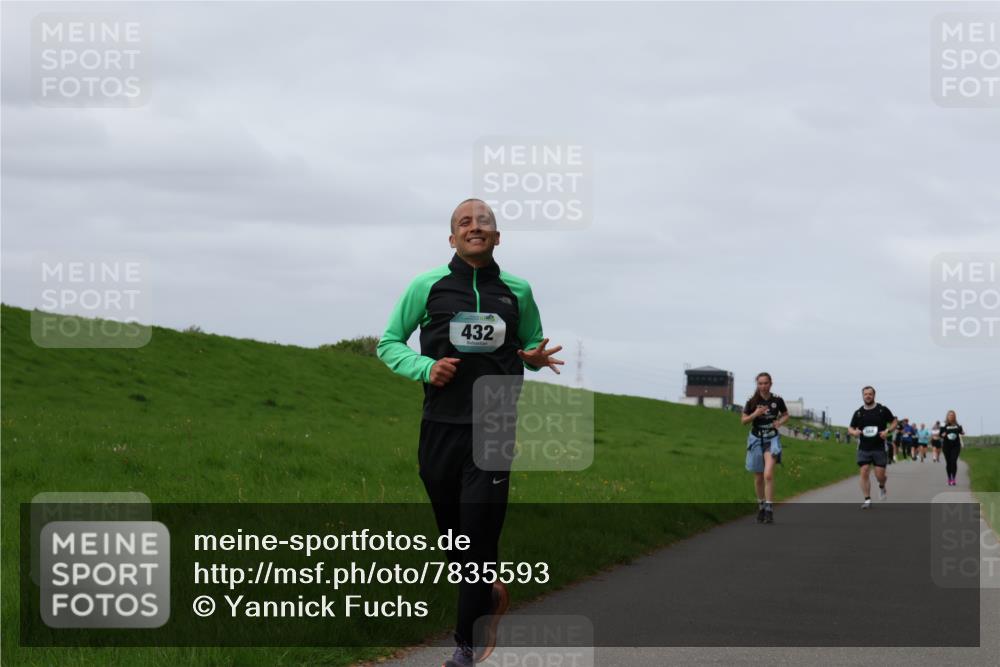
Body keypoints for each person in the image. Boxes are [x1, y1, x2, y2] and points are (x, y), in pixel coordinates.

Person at [376, 198, 564, 667]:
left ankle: (466, 644)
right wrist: (425, 367)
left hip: (495, 424)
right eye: (465, 222)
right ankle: (490, 592)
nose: (474, 227)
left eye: (484, 222)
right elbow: (388, 343)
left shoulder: (517, 291)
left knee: (477, 539)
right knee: (455, 542)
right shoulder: (427, 286)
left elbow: (532, 344)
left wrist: (535, 358)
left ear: (498, 238)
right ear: (452, 238)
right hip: (440, 426)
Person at [741, 372, 789, 524]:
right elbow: (743, 421)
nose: (763, 386)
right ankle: (761, 505)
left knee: (768, 474)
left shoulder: (777, 400)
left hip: (771, 440)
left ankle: (769, 509)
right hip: (756, 440)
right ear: (757, 384)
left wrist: (779, 422)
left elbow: (786, 414)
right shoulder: (752, 400)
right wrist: (755, 413)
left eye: (766, 383)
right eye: (760, 383)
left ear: (771, 383)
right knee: (758, 477)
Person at [848, 386, 897, 509]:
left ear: (874, 395)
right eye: (865, 394)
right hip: (864, 447)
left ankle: (882, 486)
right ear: (862, 396)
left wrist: (887, 431)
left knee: (880, 476)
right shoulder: (859, 413)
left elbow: (894, 421)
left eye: (870, 394)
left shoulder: (882, 410)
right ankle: (867, 499)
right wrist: (854, 433)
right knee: (864, 470)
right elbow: (850, 428)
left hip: (879, 447)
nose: (868, 396)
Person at [940, 410, 965, 486]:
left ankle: (953, 479)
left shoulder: (958, 425)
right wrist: (943, 434)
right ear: (947, 416)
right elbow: (940, 434)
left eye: (952, 415)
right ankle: (949, 478)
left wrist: (962, 432)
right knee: (948, 463)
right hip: (946, 446)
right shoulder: (943, 424)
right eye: (950, 415)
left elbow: (961, 432)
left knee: (953, 461)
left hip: (955, 446)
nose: (951, 416)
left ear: (954, 416)